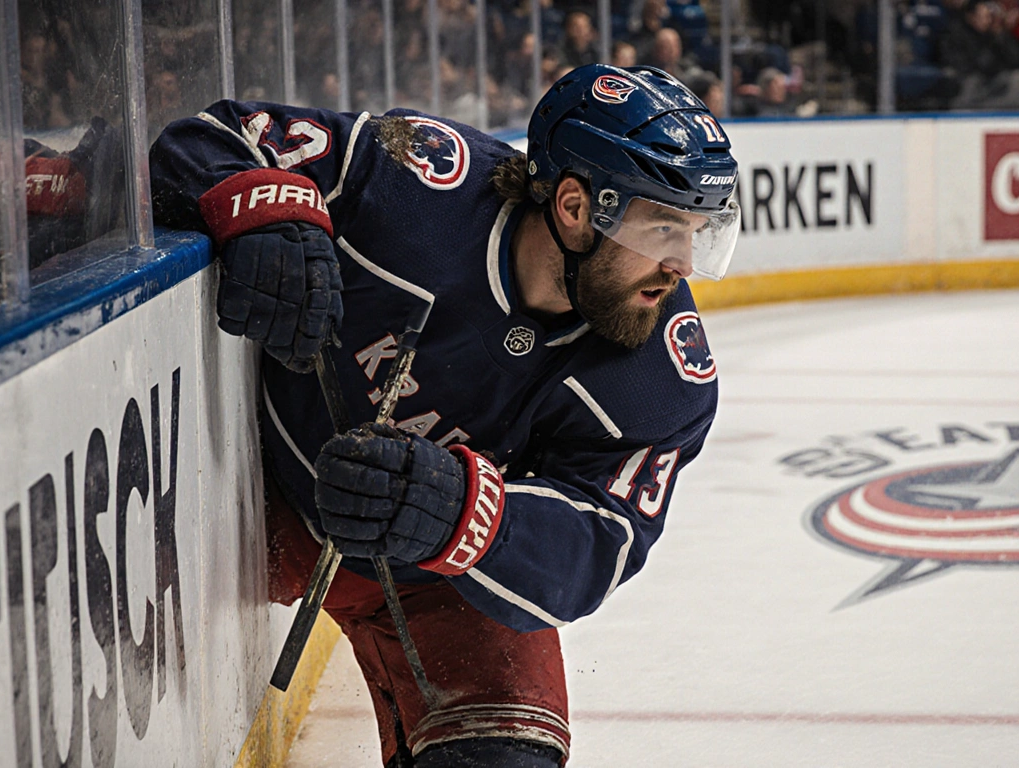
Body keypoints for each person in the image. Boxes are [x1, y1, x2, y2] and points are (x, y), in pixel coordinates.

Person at [148, 63, 739, 768]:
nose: (683, 265)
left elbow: (601, 544)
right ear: (576, 207)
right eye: (663, 226)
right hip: (239, 482)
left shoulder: (664, 376)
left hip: (430, 579)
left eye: (700, 231)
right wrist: (263, 207)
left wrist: (459, 511)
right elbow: (213, 139)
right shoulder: (415, 178)